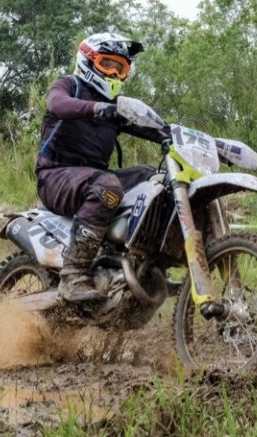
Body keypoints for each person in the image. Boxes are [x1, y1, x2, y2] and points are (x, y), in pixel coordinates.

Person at [35, 33, 169, 302]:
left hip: (92, 177)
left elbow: (155, 129)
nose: (115, 74)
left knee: (154, 179)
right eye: (108, 65)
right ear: (88, 61)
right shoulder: (69, 85)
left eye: (121, 68)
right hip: (55, 176)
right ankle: (74, 275)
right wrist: (97, 108)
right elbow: (57, 104)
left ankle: (146, 264)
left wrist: (203, 142)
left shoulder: (115, 107)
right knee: (106, 186)